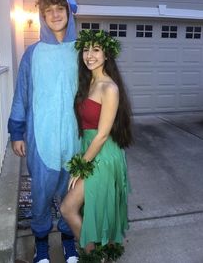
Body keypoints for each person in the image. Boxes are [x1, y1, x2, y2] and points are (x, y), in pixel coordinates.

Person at [8, 0, 81, 263]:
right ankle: (41, 243)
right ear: (42, 16)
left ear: (68, 12)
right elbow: (21, 94)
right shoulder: (32, 54)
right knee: (40, 194)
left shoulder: (82, 52)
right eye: (48, 10)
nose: (55, 14)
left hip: (75, 138)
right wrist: (17, 131)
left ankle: (67, 240)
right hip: (42, 138)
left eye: (59, 8)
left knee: (71, 192)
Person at [60, 29, 133, 262]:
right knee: (91, 207)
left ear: (106, 55)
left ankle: (93, 257)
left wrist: (80, 166)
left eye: (96, 49)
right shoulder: (89, 80)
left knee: (67, 208)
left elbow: (102, 135)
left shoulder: (109, 88)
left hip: (103, 154)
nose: (89, 55)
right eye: (86, 49)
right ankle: (98, 254)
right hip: (90, 149)